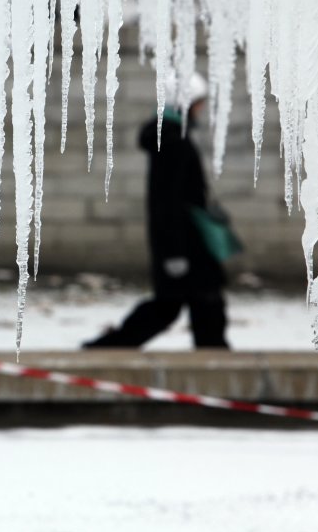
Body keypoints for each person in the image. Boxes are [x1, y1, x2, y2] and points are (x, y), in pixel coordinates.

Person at [83, 72, 229, 350]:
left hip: (184, 241)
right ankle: (213, 358)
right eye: (198, 103)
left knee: (177, 304)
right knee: (196, 302)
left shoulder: (173, 139)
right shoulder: (173, 144)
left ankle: (112, 347)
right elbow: (168, 201)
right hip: (185, 244)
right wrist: (175, 253)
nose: (201, 109)